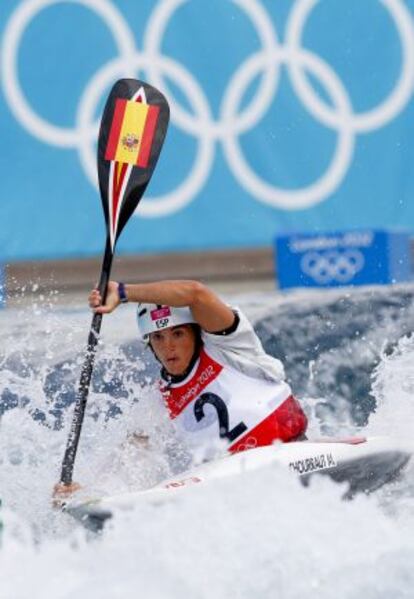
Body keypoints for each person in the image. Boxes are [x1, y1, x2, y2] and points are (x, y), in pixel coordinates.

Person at [53, 279, 307, 502]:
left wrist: (122, 291)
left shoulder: (230, 346)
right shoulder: (157, 402)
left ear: (196, 332)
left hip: (292, 451)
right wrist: (86, 495)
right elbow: (130, 463)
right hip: (231, 482)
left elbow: (195, 293)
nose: (168, 347)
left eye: (177, 334)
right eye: (158, 338)